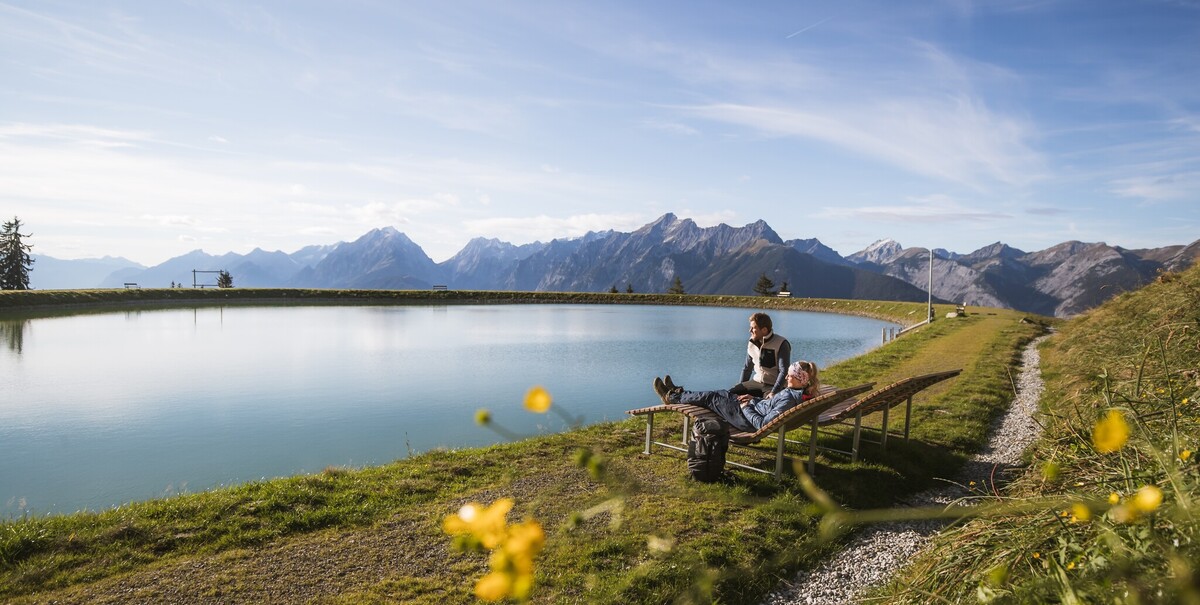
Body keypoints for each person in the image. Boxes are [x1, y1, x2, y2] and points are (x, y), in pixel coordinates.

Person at [653, 361, 821, 434]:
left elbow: (763, 424)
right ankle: (677, 393)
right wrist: (753, 399)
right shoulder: (797, 393)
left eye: (790, 375)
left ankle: (672, 397)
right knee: (723, 393)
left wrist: (746, 407)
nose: (786, 377)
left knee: (712, 397)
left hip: (746, 421)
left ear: (800, 379)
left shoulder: (788, 399)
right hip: (751, 409)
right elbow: (768, 407)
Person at [729, 312, 792, 398]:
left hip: (773, 385)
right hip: (756, 382)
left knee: (768, 402)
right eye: (750, 327)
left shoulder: (781, 343)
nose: (750, 330)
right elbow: (747, 369)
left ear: (764, 330)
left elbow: (783, 371)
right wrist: (740, 387)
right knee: (730, 394)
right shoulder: (752, 342)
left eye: (753, 328)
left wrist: (774, 392)